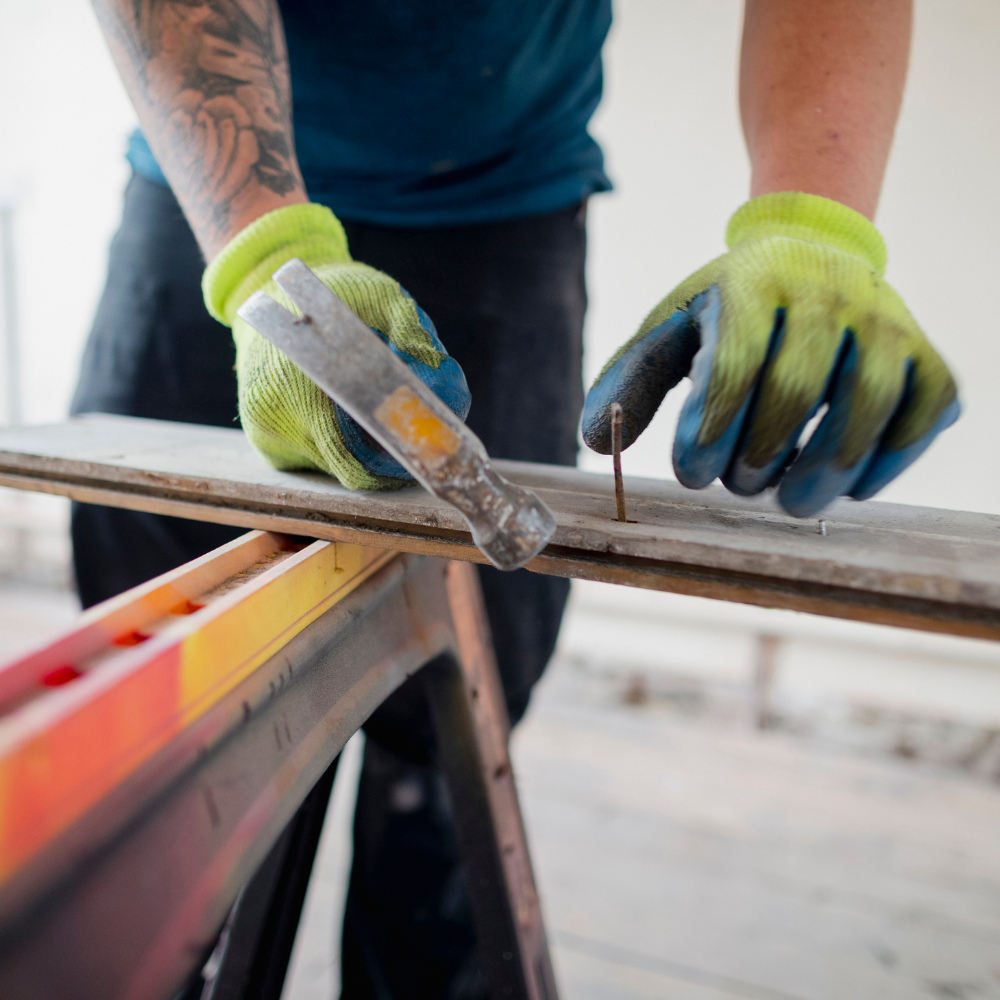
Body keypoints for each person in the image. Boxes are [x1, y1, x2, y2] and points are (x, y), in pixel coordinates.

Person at [76, 2, 958, 997]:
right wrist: (258, 262)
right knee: (156, 713)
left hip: (500, 205)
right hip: (211, 196)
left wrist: (813, 224)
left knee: (452, 731)